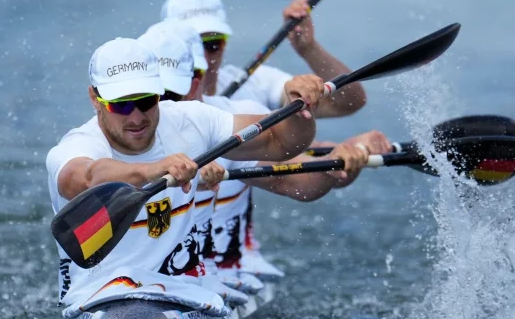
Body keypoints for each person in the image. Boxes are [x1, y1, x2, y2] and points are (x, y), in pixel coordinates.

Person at [46, 37, 367, 318]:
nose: (136, 116)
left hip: (189, 294)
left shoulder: (192, 121)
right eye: (121, 105)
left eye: (145, 101)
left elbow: (284, 143)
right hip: (106, 299)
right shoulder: (78, 145)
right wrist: (151, 170)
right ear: (94, 98)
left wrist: (297, 107)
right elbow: (85, 178)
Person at [138, 26, 392, 310]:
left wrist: (334, 163)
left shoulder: (224, 123)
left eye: (170, 94)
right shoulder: (107, 135)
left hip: (217, 274)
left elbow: (293, 179)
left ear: (195, 84)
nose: (158, 108)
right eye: (147, 97)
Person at [159, 0, 367, 117]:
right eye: (190, 44)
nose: (203, 57)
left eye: (212, 44)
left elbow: (348, 103)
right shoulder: (144, 107)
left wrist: (308, 49)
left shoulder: (254, 85)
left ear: (225, 43)